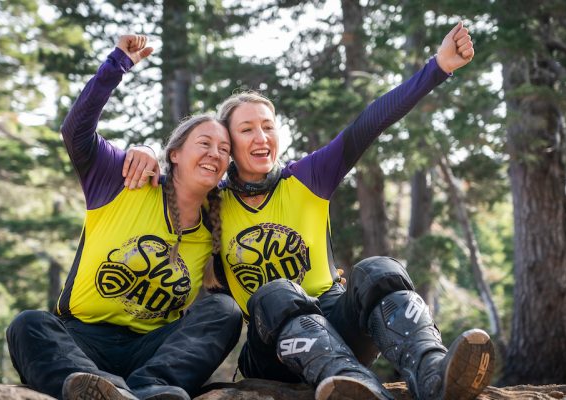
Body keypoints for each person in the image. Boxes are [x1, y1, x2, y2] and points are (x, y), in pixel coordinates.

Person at [125, 22, 494, 400]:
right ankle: (355, 387)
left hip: (338, 328)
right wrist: (145, 152)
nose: (261, 138)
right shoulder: (211, 199)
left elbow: (370, 121)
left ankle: (434, 374)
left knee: (378, 269)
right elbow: (175, 178)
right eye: (247, 130)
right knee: (276, 292)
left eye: (268, 127)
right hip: (270, 348)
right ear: (229, 144)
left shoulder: (307, 178)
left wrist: (439, 66)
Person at [6, 34, 242, 400]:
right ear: (174, 154)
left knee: (225, 312)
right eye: (204, 144)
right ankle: (103, 390)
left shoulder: (223, 218)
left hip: (153, 353)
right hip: (80, 341)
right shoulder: (125, 181)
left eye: (224, 150)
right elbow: (76, 133)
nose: (215, 153)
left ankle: (150, 390)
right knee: (28, 325)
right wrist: (116, 64)